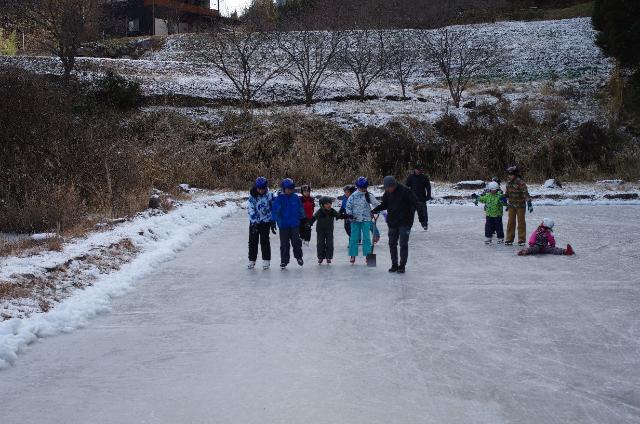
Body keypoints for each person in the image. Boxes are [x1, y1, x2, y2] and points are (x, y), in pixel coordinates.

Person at [372, 176, 419, 274]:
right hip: (393, 222)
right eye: (387, 188)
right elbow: (384, 204)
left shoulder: (406, 191)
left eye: (390, 187)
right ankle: (394, 265)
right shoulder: (387, 193)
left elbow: (416, 203)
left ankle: (402, 266)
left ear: (394, 184)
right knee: (392, 244)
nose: (388, 189)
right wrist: (375, 210)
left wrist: (421, 217)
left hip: (405, 223)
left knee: (403, 244)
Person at [272, 178, 306, 268]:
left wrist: (303, 219)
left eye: (291, 189)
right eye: (287, 189)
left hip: (294, 224)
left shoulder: (295, 197)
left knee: (296, 241)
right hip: (283, 225)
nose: (289, 191)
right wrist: (273, 222)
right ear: (283, 189)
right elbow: (275, 211)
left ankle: (299, 257)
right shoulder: (279, 199)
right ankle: (284, 260)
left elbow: (300, 208)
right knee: (284, 243)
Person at [345, 176, 380, 264]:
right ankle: (353, 255)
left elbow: (376, 204)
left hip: (366, 219)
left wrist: (380, 210)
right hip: (355, 220)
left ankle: (368, 256)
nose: (363, 189)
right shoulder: (353, 196)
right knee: (354, 238)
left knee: (367, 238)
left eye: (364, 188)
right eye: (361, 188)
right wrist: (350, 215)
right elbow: (348, 207)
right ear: (357, 187)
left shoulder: (368, 195)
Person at [247, 177, 276, 270]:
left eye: (263, 188)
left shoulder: (269, 195)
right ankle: (252, 260)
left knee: (264, 240)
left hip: (265, 221)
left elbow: (273, 208)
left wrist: (273, 221)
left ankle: (266, 260)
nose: (261, 190)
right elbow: (251, 208)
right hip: (254, 222)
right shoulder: (252, 196)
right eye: (259, 188)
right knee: (252, 241)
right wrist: (254, 222)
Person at [504, 166, 532, 246]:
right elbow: (507, 194)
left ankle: (521, 239)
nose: (509, 176)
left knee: (521, 222)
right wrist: (504, 199)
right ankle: (509, 239)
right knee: (510, 222)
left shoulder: (520, 182)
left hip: (520, 206)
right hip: (512, 205)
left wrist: (529, 203)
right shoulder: (508, 182)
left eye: (511, 174)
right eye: (508, 174)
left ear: (515, 174)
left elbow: (525, 193)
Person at [310, 196, 342, 264]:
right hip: (320, 230)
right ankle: (321, 257)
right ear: (322, 205)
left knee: (329, 243)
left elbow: (339, 215)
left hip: (329, 230)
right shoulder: (319, 212)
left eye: (330, 203)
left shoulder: (332, 211)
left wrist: (346, 216)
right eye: (326, 204)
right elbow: (313, 218)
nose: (329, 205)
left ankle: (328, 257)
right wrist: (309, 223)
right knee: (320, 243)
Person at [405, 162, 432, 230]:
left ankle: (424, 225)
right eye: (417, 169)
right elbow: (406, 187)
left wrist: (428, 195)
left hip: (421, 199)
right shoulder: (410, 177)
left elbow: (428, 187)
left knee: (423, 213)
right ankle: (408, 226)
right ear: (414, 170)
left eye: (420, 170)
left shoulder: (424, 177)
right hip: (412, 199)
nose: (418, 171)